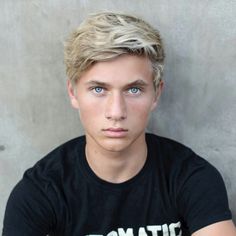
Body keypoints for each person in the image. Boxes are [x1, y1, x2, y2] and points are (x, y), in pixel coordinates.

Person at [2, 12, 236, 236]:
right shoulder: (40, 191)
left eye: (134, 89)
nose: (116, 112)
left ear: (156, 94)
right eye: (98, 89)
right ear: (73, 93)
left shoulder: (191, 177)